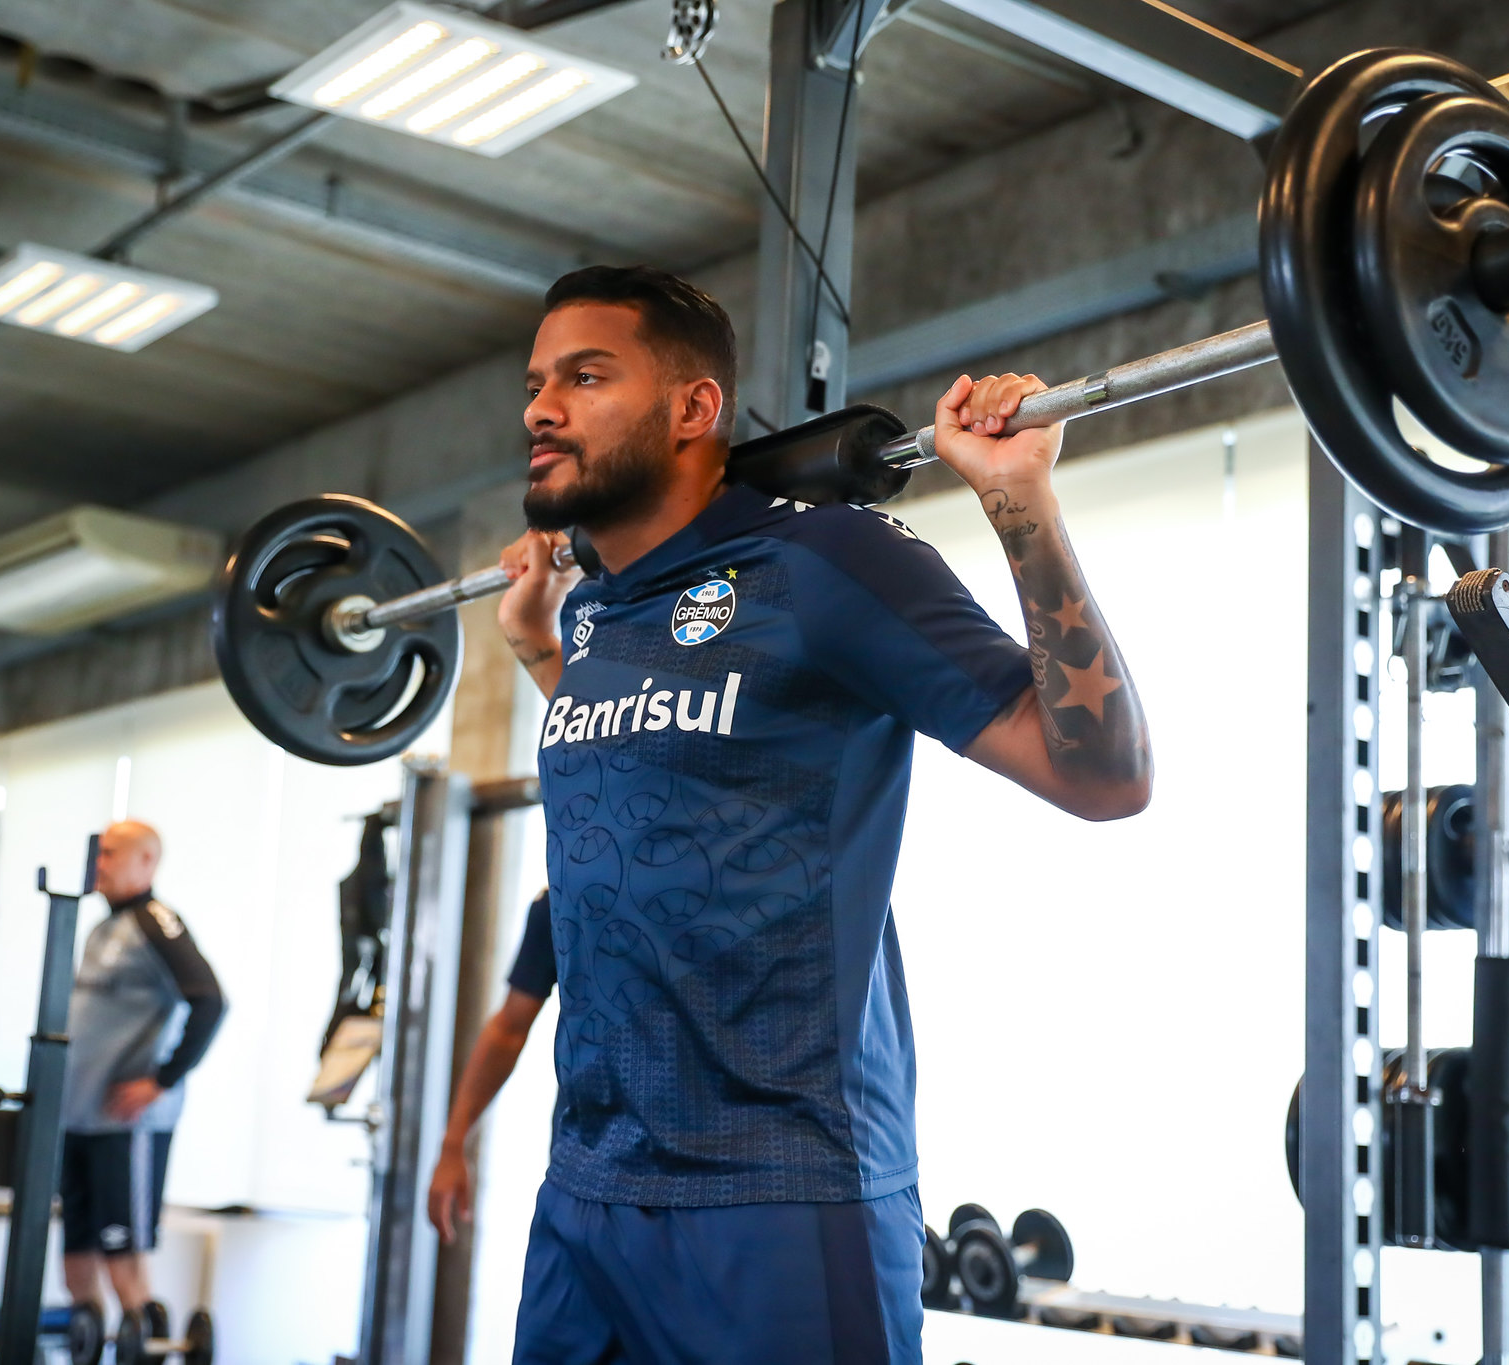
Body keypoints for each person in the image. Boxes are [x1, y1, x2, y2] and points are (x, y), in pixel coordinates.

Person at [491, 265, 1151, 1363]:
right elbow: (665, 763)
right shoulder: (600, 604)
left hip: (777, 1196)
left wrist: (1017, 502)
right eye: (535, 382)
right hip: (587, 1191)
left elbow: (1103, 776)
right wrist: (537, 649)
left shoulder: (829, 562)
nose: (538, 409)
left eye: (584, 377)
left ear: (693, 409)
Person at [59, 820, 226, 1331]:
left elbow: (210, 1002)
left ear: (146, 861)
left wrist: (161, 1080)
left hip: (124, 1126)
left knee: (123, 1264)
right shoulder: (101, 928)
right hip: (79, 1118)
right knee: (75, 1267)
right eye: (98, 853)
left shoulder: (156, 922)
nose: (99, 863)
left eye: (110, 853)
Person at [429, 889, 556, 1243]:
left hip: (712, 1183)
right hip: (586, 1176)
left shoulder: (723, 883)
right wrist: (453, 1145)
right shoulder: (568, 891)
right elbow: (508, 1030)